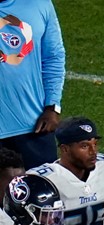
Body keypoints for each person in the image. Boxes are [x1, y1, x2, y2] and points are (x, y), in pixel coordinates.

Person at [0, 0, 64, 168]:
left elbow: (53, 56)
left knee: (41, 191)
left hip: (33, 125)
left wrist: (52, 107)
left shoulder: (39, 3)